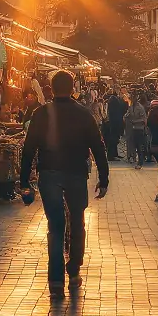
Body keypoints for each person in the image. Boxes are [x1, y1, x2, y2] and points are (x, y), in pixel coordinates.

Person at [20, 70, 109, 297]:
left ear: (51, 87)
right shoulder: (83, 114)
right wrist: (104, 177)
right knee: (77, 223)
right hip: (76, 173)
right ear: (72, 88)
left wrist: (24, 182)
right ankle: (75, 271)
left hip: (49, 172)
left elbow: (29, 148)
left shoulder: (41, 114)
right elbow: (98, 146)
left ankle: (56, 281)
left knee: (55, 226)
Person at [125, 93, 149, 168]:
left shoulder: (140, 107)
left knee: (139, 146)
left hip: (139, 128)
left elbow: (144, 120)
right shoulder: (131, 107)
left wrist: (135, 121)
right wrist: (125, 116)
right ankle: (133, 158)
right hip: (133, 128)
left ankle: (140, 162)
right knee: (134, 144)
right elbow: (128, 114)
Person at [106, 88, 129, 161]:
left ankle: (114, 154)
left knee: (115, 138)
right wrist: (125, 102)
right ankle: (111, 155)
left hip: (114, 121)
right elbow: (122, 108)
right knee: (113, 138)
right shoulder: (114, 100)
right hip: (115, 122)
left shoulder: (113, 99)